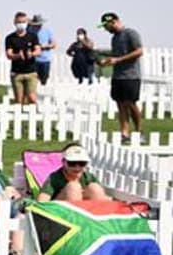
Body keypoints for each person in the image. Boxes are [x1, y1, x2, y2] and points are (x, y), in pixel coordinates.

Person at [97, 12, 144, 144]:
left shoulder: (130, 33)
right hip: (118, 76)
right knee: (120, 104)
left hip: (131, 75)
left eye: (106, 26)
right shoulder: (114, 38)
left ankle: (139, 131)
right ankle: (124, 133)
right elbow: (116, 55)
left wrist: (118, 60)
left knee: (130, 103)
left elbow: (139, 51)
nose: (106, 29)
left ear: (113, 22)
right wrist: (107, 60)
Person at [36, 144, 110, 201]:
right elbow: (42, 201)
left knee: (94, 188)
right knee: (73, 188)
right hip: (61, 212)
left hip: (87, 211)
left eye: (82, 163)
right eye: (72, 163)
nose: (77, 168)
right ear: (63, 162)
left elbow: (103, 197)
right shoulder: (54, 178)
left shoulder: (88, 177)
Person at [5, 11, 42, 106]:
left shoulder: (33, 36)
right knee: (19, 100)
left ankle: (36, 114)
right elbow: (9, 54)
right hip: (17, 73)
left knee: (32, 97)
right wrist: (17, 55)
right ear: (15, 22)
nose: (21, 24)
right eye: (19, 22)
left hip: (31, 72)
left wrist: (32, 54)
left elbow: (38, 50)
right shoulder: (10, 38)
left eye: (23, 22)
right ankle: (19, 118)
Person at [30, 14, 55, 85]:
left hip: (45, 60)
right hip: (33, 60)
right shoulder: (30, 31)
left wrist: (45, 46)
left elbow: (53, 44)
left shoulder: (47, 31)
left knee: (44, 79)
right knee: (33, 79)